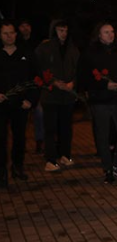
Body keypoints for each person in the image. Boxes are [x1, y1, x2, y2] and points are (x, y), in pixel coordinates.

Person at [80, 21, 117, 184]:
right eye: (106, 32)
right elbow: (84, 78)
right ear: (99, 35)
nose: (110, 34)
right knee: (103, 136)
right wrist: (104, 85)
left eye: (112, 31)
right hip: (100, 100)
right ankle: (107, 168)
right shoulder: (90, 54)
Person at [34, 19, 79, 172]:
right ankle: (50, 159)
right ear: (54, 31)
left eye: (65, 30)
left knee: (66, 128)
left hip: (67, 96)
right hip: (51, 95)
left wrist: (73, 82)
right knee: (50, 128)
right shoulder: (45, 48)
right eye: (60, 30)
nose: (63, 34)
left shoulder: (72, 48)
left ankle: (65, 155)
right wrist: (53, 82)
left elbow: (78, 68)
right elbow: (39, 68)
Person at [0, 20, 38, 187]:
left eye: (11, 33)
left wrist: (31, 100)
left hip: (21, 104)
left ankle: (17, 167)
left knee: (20, 138)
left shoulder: (26, 54)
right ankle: (2, 172)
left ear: (16, 34)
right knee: (1, 139)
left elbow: (35, 79)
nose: (9, 36)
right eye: (5, 33)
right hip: (1, 104)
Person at [17, 19, 44, 152]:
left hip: (35, 84)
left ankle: (40, 140)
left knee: (39, 113)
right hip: (20, 86)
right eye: (22, 26)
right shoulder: (16, 44)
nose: (25, 28)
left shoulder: (37, 44)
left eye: (27, 25)